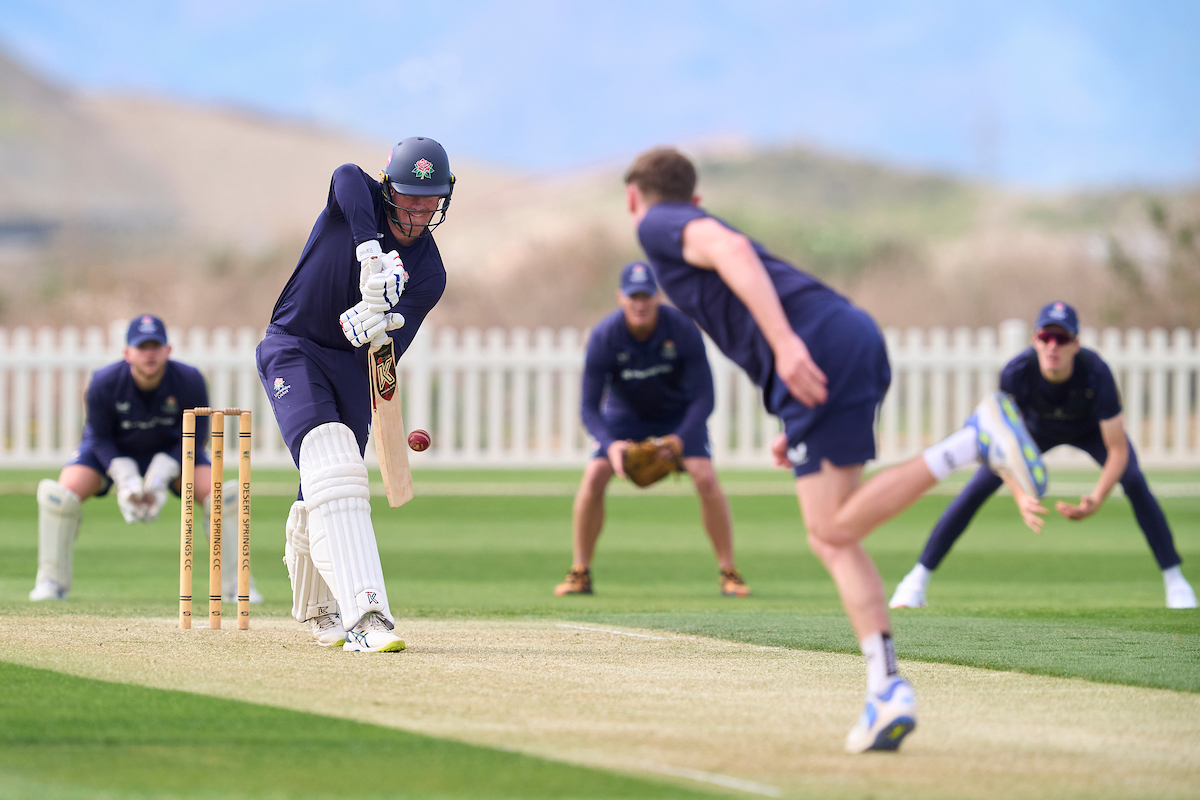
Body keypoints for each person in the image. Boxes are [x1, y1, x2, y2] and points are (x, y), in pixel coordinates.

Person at [623, 146, 1051, 753]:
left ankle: (971, 441)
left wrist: (785, 344)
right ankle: (886, 689)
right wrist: (792, 417)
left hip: (819, 346)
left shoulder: (656, 222)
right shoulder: (683, 217)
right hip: (843, 341)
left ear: (633, 199)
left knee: (828, 529)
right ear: (696, 197)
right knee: (832, 535)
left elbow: (733, 250)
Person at [256, 136, 454, 652]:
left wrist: (380, 324)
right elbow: (345, 172)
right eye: (409, 196)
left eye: (430, 200)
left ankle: (318, 607)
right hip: (294, 346)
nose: (419, 210)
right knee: (335, 463)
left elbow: (388, 357)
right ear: (388, 189)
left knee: (324, 485)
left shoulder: (430, 274)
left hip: (351, 371)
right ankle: (367, 615)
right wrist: (370, 255)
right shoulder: (357, 201)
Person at [891, 302, 1198, 610]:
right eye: (1045, 337)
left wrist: (1097, 498)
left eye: (1062, 338)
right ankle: (915, 581)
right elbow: (1001, 442)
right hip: (1033, 433)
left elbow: (1118, 450)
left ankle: (1176, 582)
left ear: (1076, 344)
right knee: (977, 487)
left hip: (1090, 431)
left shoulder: (1096, 372)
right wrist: (1020, 495)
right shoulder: (1016, 373)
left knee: (1133, 480)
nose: (1053, 345)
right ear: (1034, 340)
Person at [31, 314, 262, 604]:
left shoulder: (189, 379)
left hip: (176, 451)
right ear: (127, 353)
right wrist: (123, 474)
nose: (149, 354)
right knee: (59, 498)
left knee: (222, 497)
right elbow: (98, 437)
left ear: (168, 350)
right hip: (111, 451)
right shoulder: (103, 381)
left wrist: (163, 470)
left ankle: (238, 584)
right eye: (142, 347)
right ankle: (51, 582)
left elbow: (198, 433)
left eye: (155, 346)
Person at [555, 262, 750, 599]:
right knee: (594, 476)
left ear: (657, 296)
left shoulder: (682, 329)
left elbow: (705, 397)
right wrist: (610, 444)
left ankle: (729, 571)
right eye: (633, 297)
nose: (640, 303)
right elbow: (588, 407)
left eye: (646, 296)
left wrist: (679, 439)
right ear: (621, 297)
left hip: (677, 418)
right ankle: (580, 572)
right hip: (625, 419)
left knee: (705, 476)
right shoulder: (605, 336)